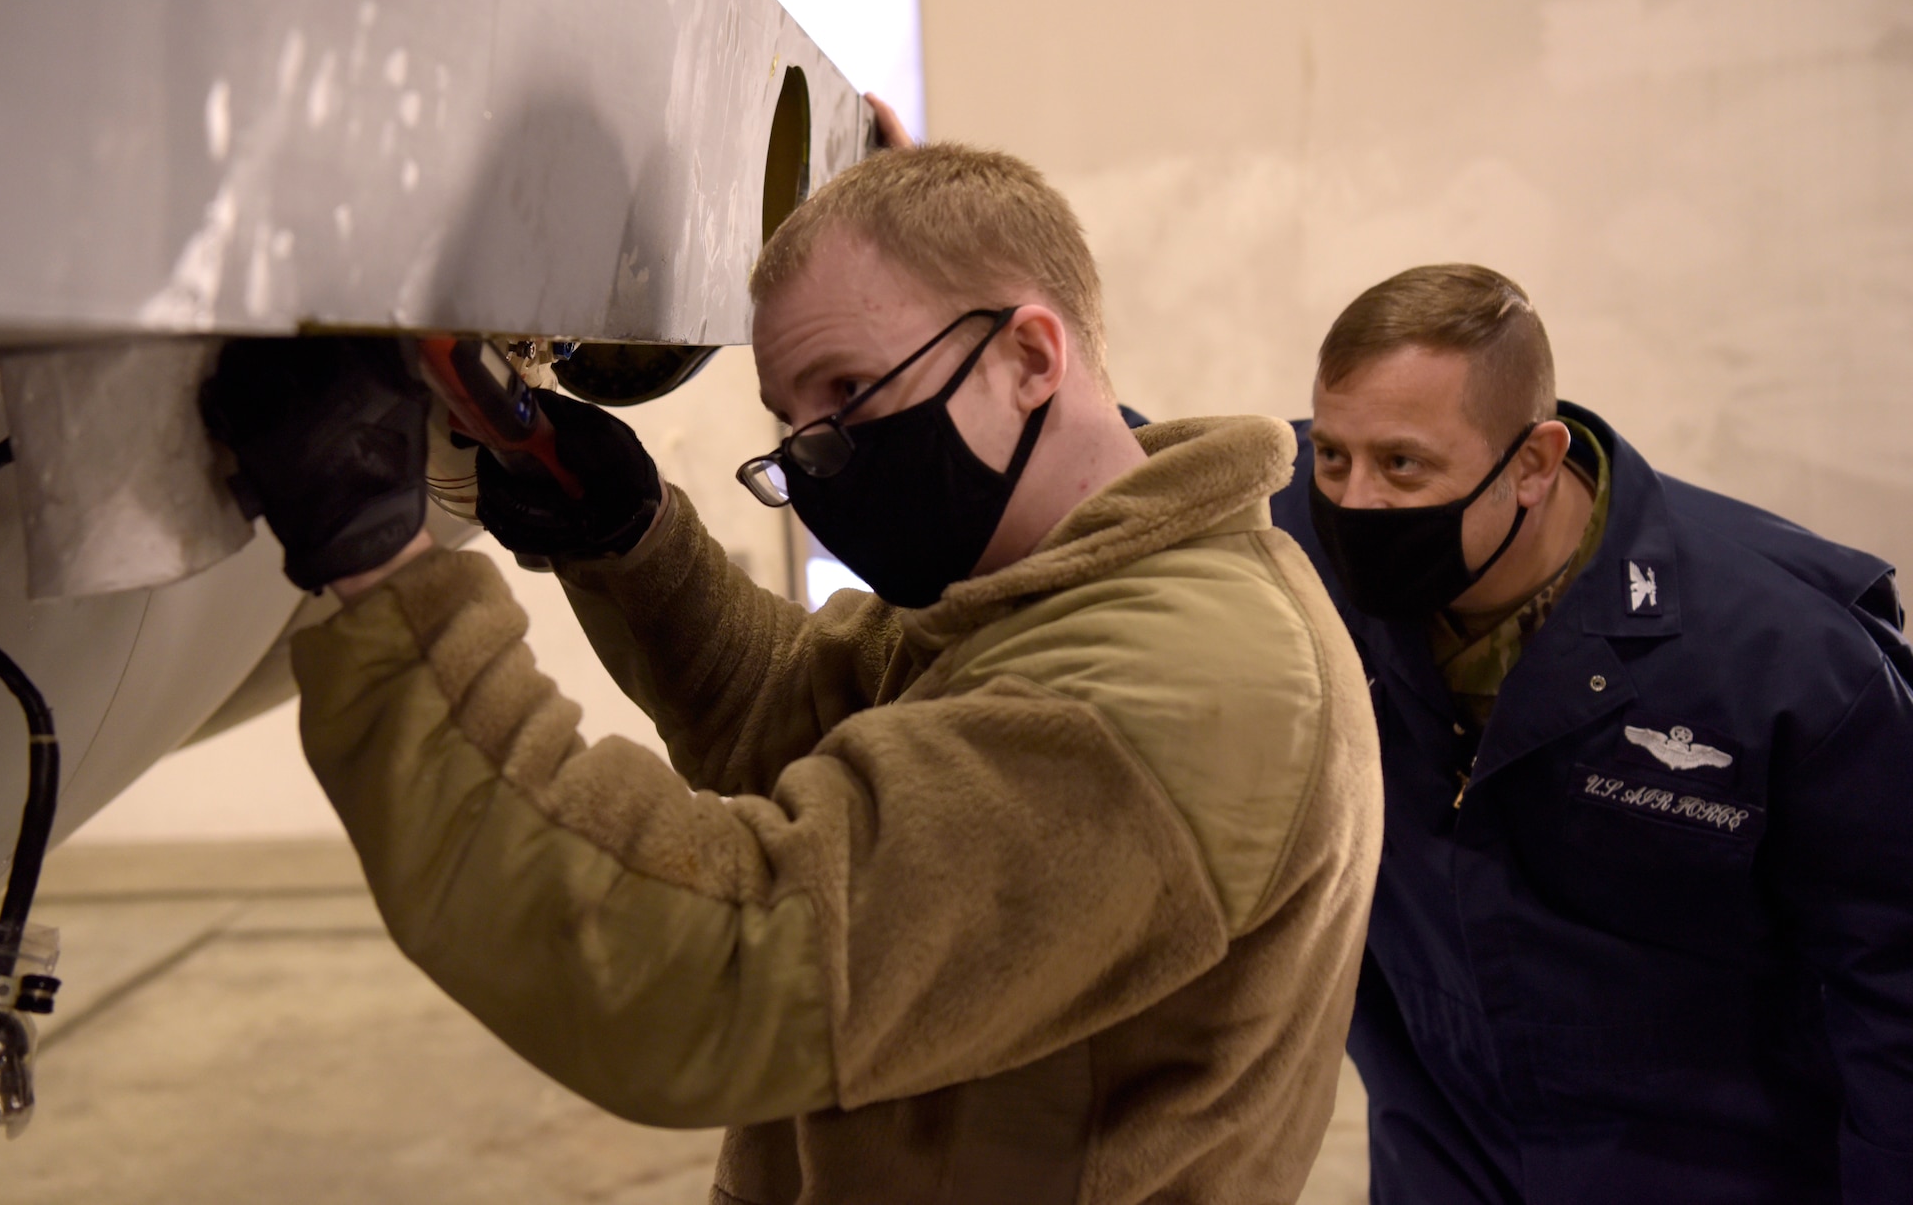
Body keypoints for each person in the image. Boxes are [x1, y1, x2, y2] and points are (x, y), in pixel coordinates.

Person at [203, 144, 1384, 1202]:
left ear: (1030, 354)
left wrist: (385, 577)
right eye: (792, 426)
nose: (818, 463)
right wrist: (629, 541)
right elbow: (816, 716)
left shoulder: (1173, 695)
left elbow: (709, 972)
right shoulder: (1094, 587)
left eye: (847, 400)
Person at [1265, 263, 1913, 1204]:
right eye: (1333, 456)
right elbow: (1097, 462)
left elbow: (1898, 989)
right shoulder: (1293, 536)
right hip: (1445, 1158)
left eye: (1403, 464)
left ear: (1533, 462)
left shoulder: (1788, 663)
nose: (1356, 501)